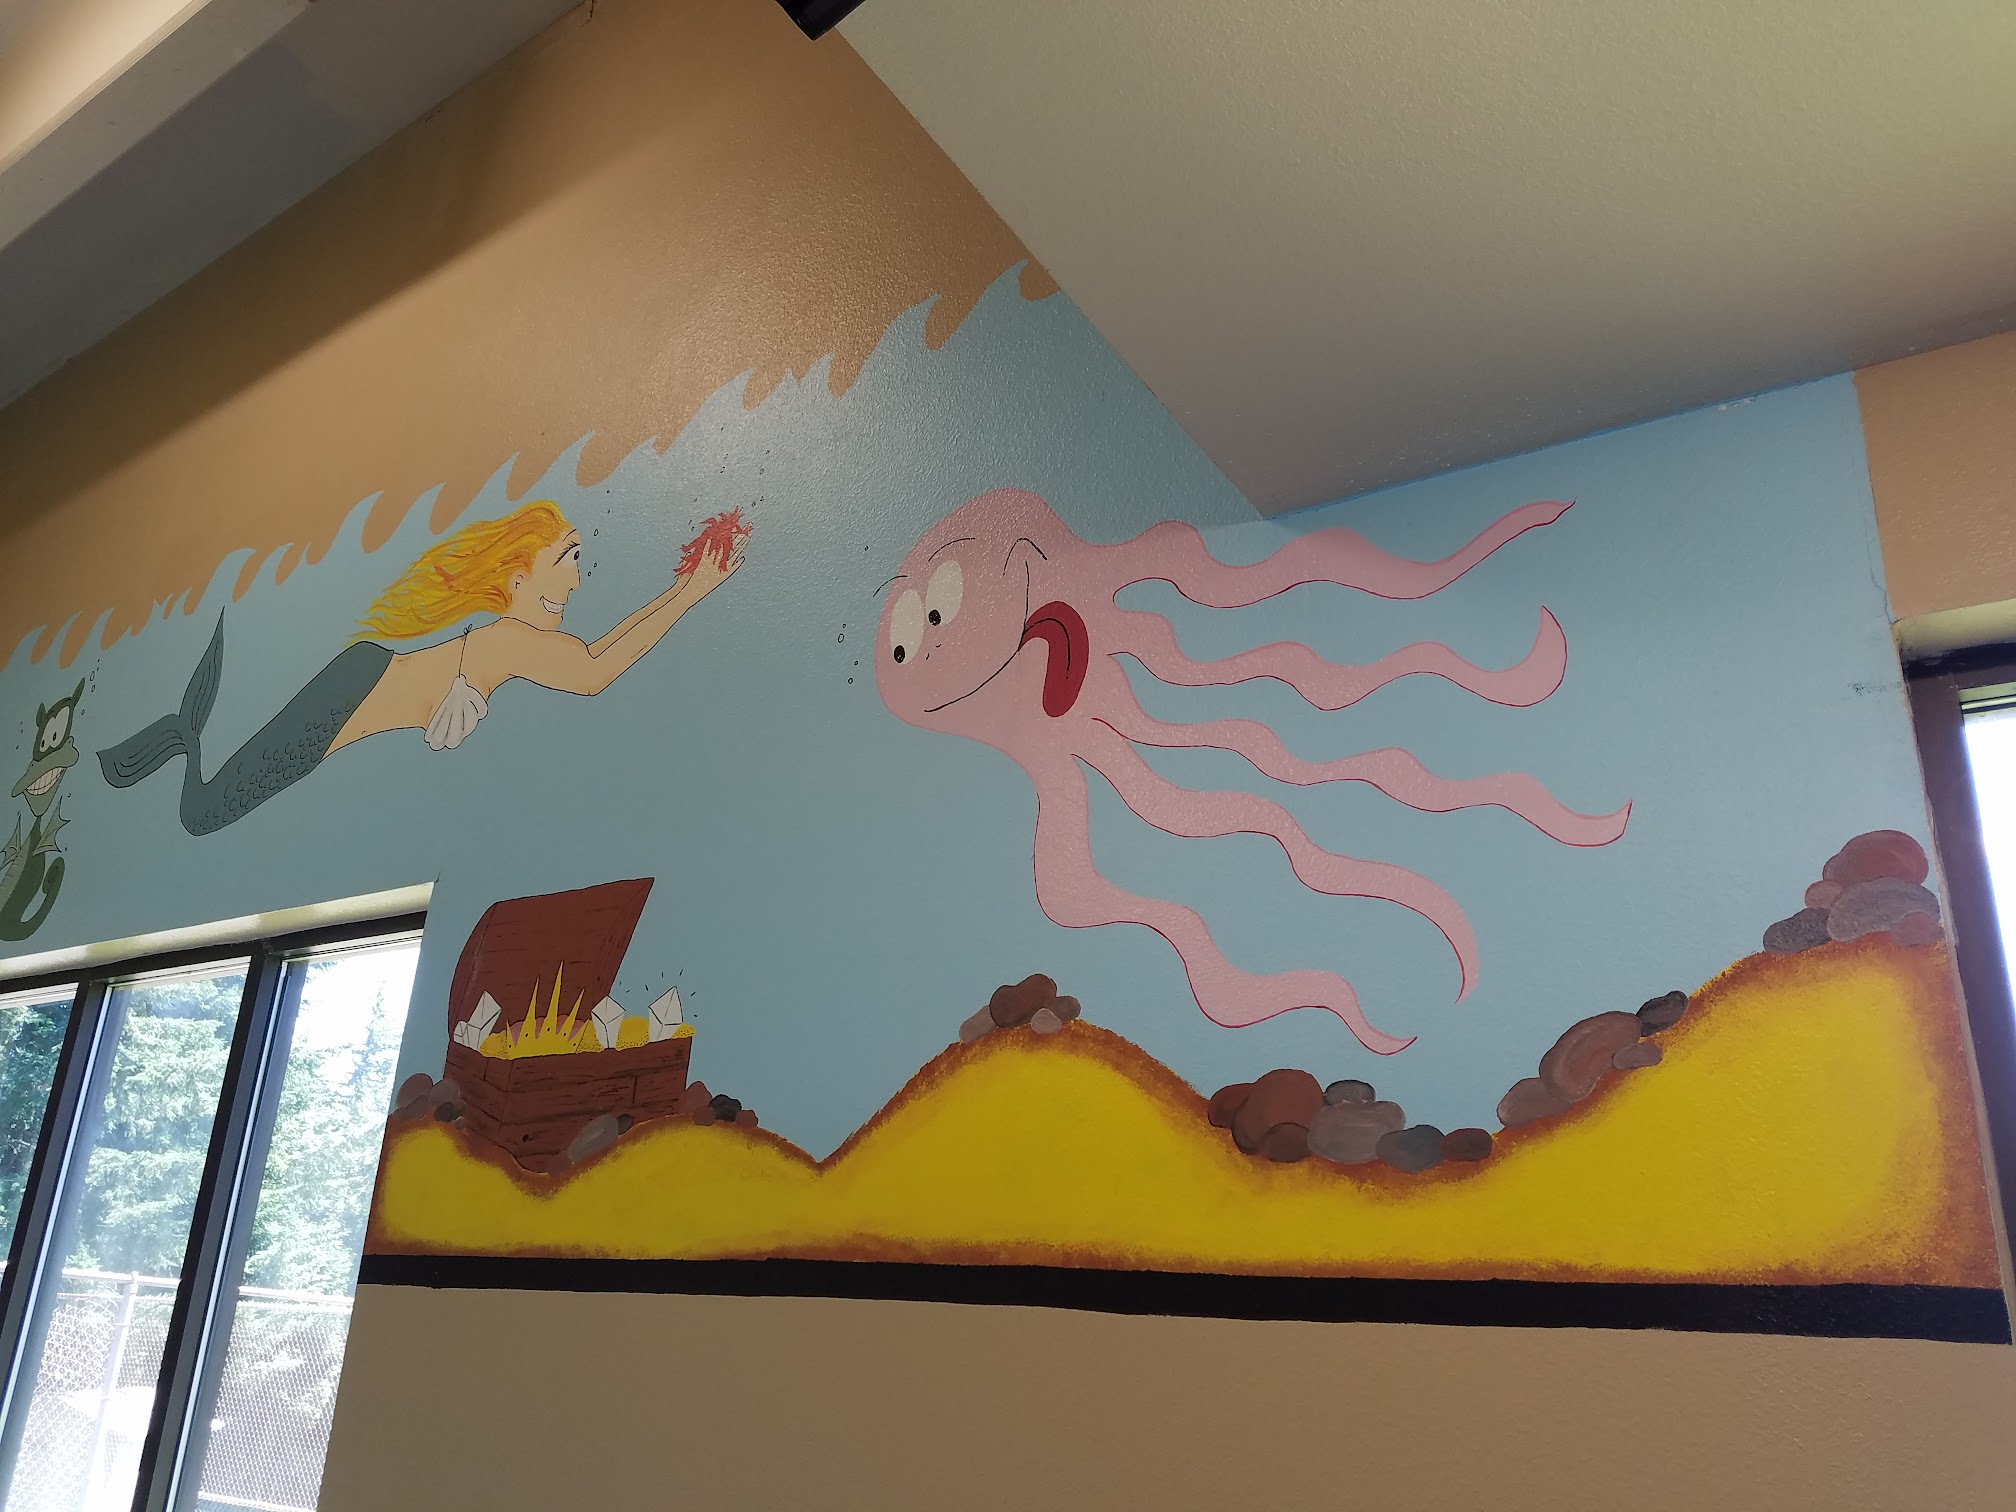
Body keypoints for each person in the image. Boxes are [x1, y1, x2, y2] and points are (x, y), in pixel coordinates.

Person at [98, 501, 742, 835]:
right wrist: (690, 593)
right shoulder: (509, 641)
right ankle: (181, 737)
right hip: (343, 704)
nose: (576, 581)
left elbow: (591, 654)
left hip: (358, 678)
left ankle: (183, 738)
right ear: (519, 579)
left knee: (209, 803)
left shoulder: (507, 640)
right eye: (566, 561)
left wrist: (683, 589)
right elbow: (595, 670)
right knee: (202, 815)